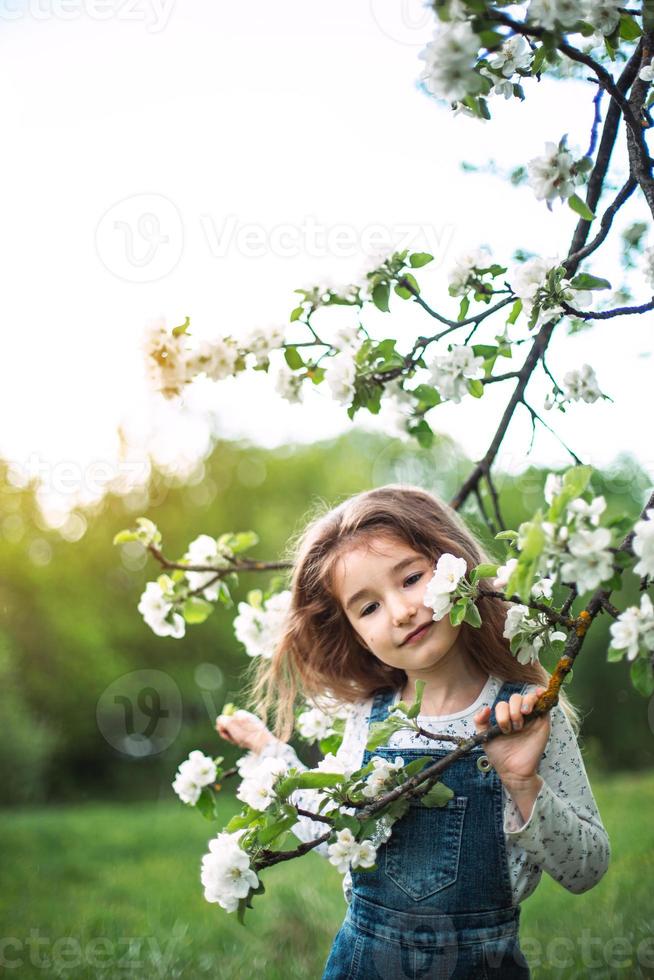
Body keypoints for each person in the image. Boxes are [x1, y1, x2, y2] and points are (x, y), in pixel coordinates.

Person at [216, 484, 610, 978]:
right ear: (354, 633)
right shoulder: (371, 719)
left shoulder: (525, 716)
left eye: (411, 578)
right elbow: (331, 825)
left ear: (456, 565)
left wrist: (523, 784)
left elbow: (587, 869)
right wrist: (271, 754)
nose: (401, 611)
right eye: (368, 607)